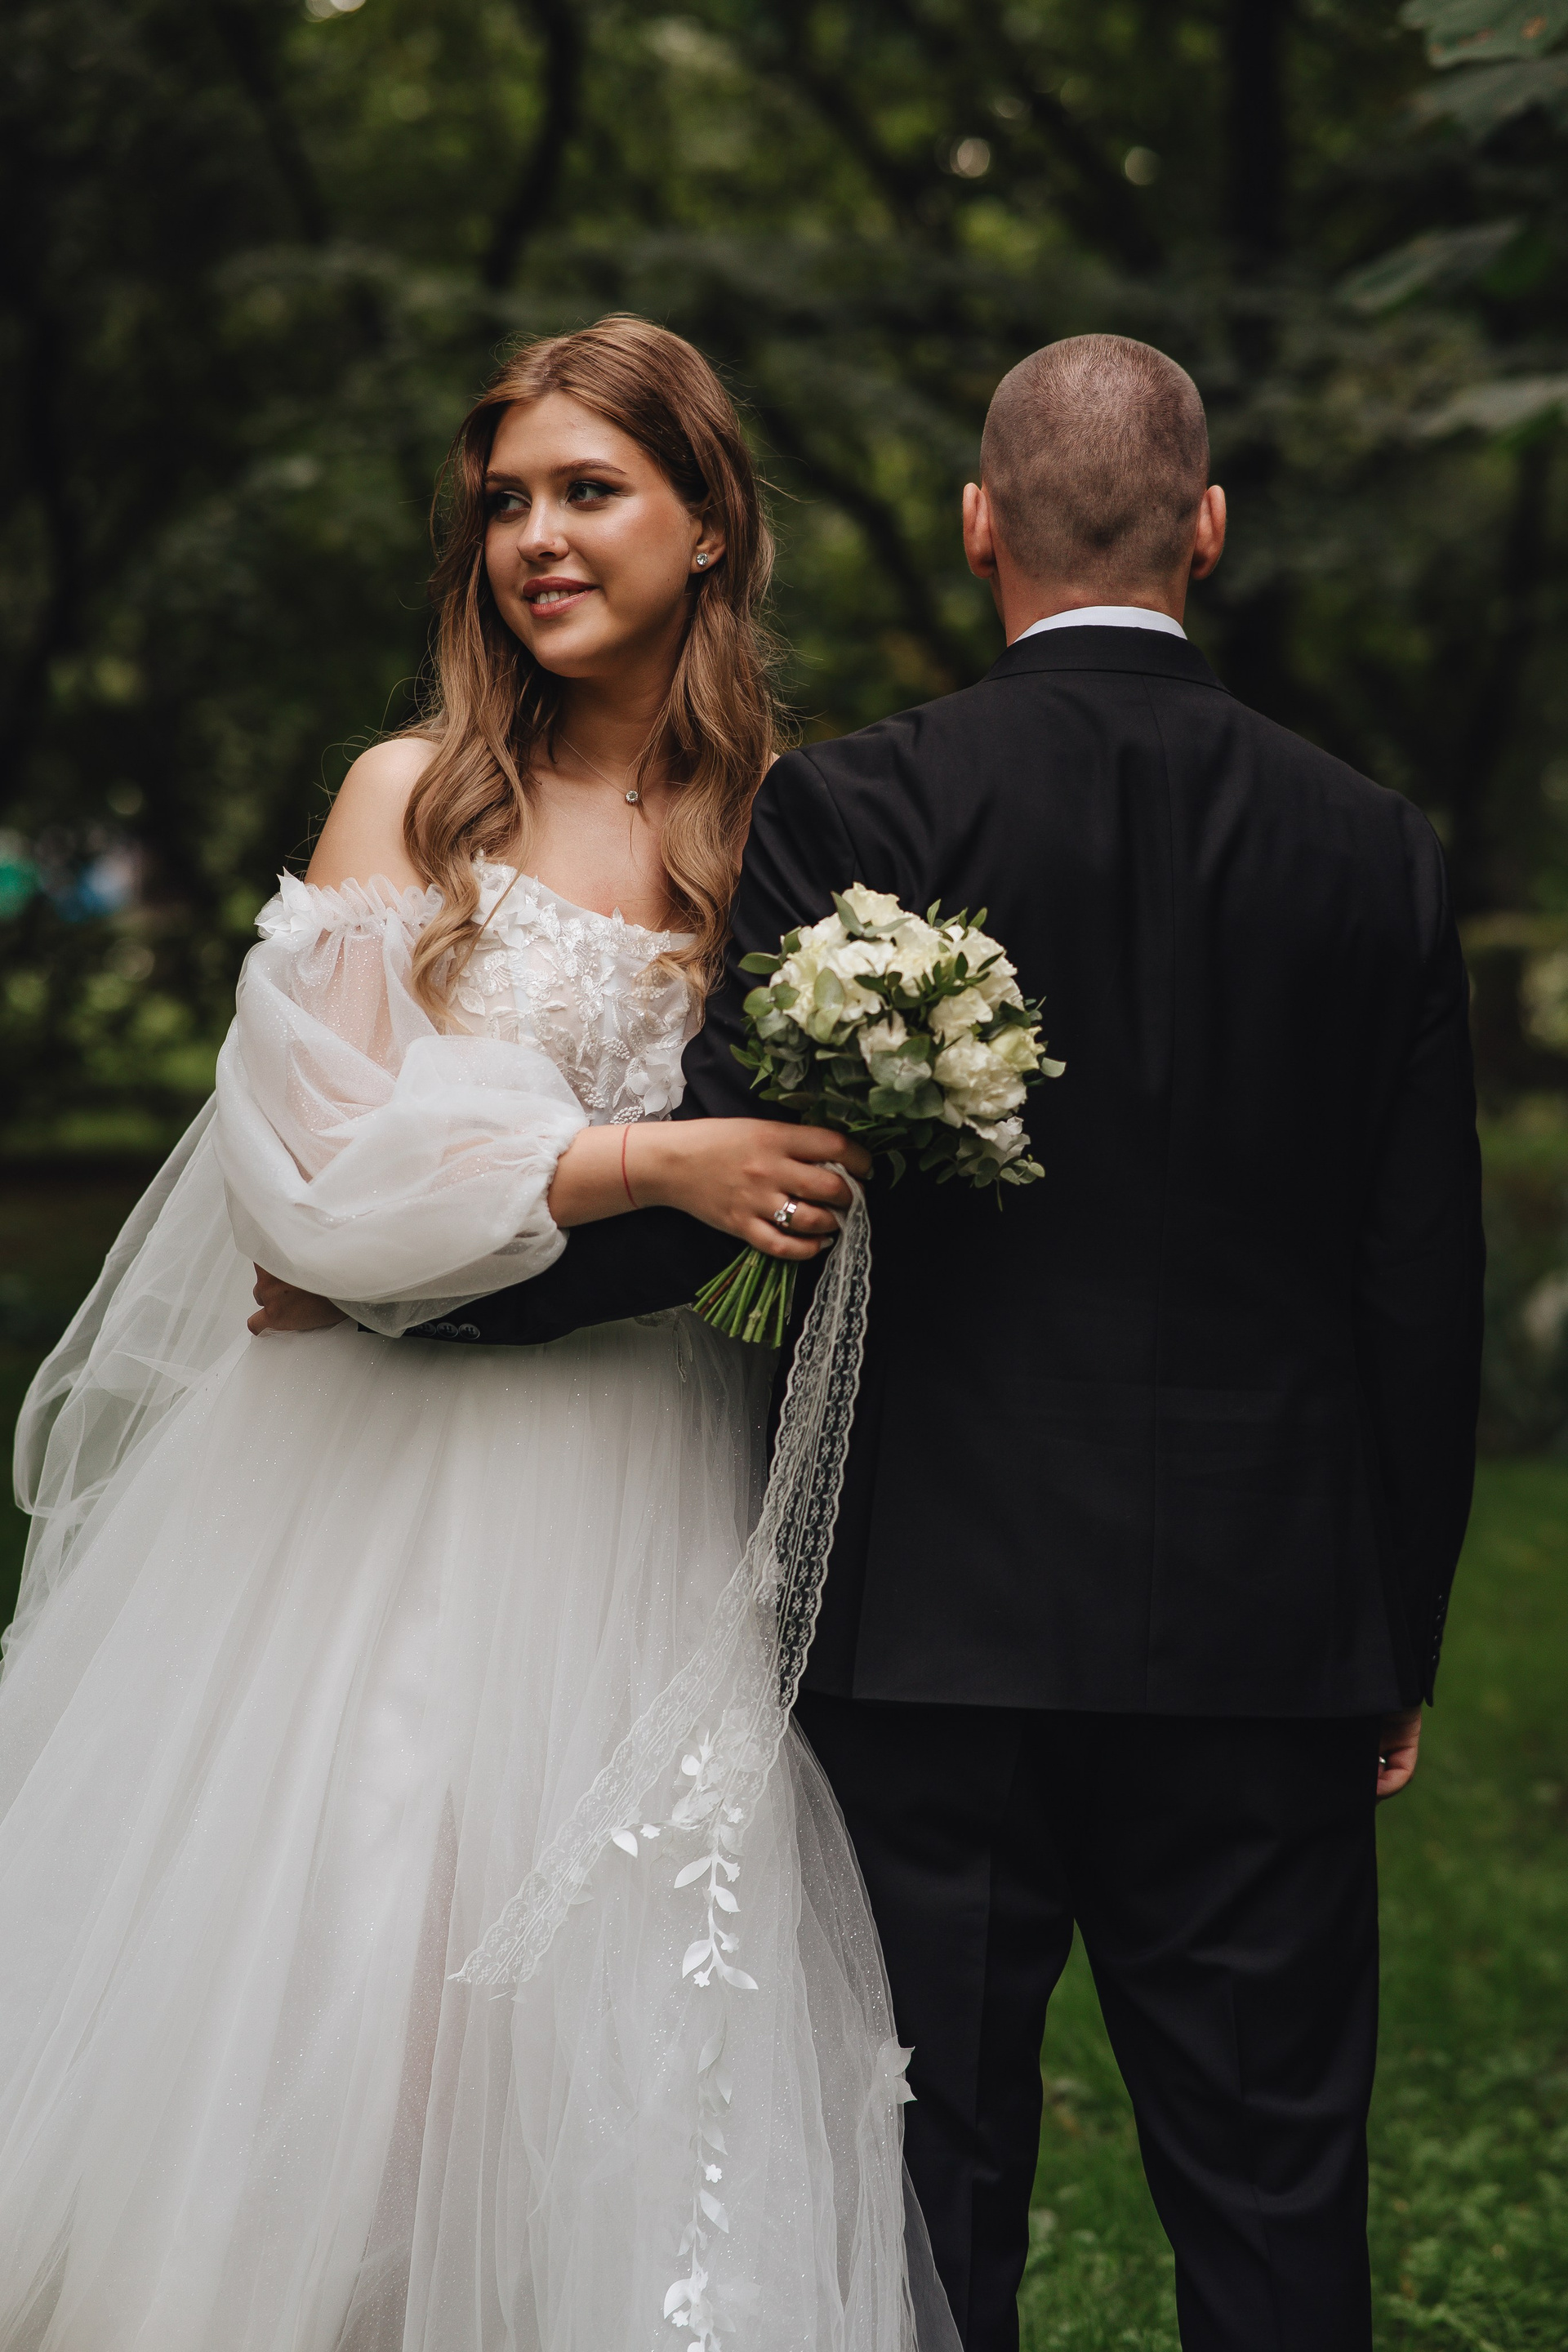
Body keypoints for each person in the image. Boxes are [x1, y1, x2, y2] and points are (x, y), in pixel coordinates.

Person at [270, 335, 1485, 2352]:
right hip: (1272, 1634)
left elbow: (748, 1189)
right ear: (1206, 529)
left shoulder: (862, 805)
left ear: (979, 525)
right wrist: (1397, 1634)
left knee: (928, 2209)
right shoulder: (1374, 843)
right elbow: (1416, 1286)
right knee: (1277, 2205)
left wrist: (422, 1287)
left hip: (932, 1630)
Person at [0, 318, 958, 2352]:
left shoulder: (784, 836)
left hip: (645, 1474)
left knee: (608, 1985)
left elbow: (799, 1188)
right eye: (507, 500)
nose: (536, 538)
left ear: (710, 524)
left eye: (590, 491)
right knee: (363, 1942)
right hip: (373, 1489)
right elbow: (313, 1189)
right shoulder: (409, 800)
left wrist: (713, 1178)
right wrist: (644, 1164)